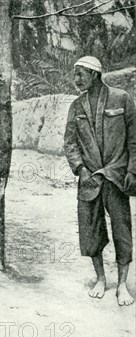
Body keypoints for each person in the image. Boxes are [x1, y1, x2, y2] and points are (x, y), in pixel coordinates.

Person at [63, 56, 136, 306]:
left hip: (116, 176)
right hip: (89, 178)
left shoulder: (122, 98)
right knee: (91, 231)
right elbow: (70, 143)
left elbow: (134, 140)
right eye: (75, 75)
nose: (76, 80)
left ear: (94, 74)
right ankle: (101, 279)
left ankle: (123, 285)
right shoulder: (76, 106)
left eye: (80, 74)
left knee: (122, 231)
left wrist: (132, 172)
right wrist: (80, 169)